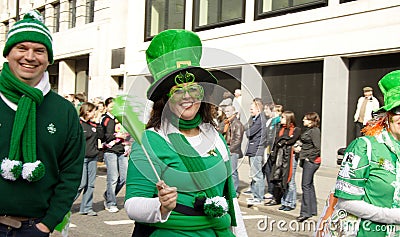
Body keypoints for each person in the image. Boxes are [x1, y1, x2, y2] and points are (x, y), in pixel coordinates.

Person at [124, 29, 247, 236]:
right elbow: (133, 204)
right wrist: (160, 206)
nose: (187, 97)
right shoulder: (150, 140)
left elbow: (230, 200)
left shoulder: (214, 136)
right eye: (177, 90)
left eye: (194, 89)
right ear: (165, 98)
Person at [0, 10, 84, 235]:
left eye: (39, 50)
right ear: (8, 53)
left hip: (33, 228)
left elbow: (72, 171)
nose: (30, 57)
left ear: (48, 59)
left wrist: (48, 223)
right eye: (22, 48)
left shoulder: (64, 110)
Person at [334, 70, 400, 236]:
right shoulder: (364, 147)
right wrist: (391, 216)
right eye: (398, 109)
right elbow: (346, 202)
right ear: (387, 116)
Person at [75, 102, 103, 216]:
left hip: (93, 157)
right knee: (81, 184)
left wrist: (97, 123)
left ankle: (86, 208)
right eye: (92, 111)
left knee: (90, 184)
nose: (94, 113)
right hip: (81, 158)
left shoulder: (93, 124)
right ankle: (64, 204)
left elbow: (101, 136)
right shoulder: (78, 123)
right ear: (87, 111)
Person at [267, 111, 301, 208]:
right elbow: (278, 140)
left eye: (283, 118)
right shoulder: (280, 129)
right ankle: (284, 202)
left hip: (291, 157)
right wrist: (284, 141)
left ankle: (291, 203)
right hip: (280, 156)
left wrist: (284, 141)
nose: (281, 119)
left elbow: (292, 140)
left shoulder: (296, 129)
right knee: (282, 179)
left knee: (290, 180)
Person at [101, 97, 128, 213]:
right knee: (113, 178)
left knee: (124, 177)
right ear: (106, 107)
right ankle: (110, 202)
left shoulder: (120, 118)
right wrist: (117, 135)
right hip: (110, 151)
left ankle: (108, 194)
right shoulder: (105, 119)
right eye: (110, 106)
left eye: (114, 106)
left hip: (122, 150)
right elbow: (103, 136)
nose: (112, 109)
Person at [295, 112, 321, 222]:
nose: (303, 120)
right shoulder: (310, 130)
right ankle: (312, 209)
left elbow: (317, 148)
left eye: (305, 119)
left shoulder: (314, 131)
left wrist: (306, 156)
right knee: (309, 185)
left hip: (311, 161)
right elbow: (307, 142)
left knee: (305, 185)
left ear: (311, 120)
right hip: (309, 160)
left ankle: (305, 212)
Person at [244, 98, 268, 205]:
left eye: (252, 108)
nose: (250, 110)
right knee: (254, 174)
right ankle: (255, 195)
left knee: (257, 175)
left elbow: (249, 132)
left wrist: (248, 128)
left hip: (256, 149)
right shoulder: (255, 118)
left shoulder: (260, 120)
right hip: (253, 149)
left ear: (258, 108)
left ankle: (259, 197)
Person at [223, 105, 244, 197]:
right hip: (226, 149)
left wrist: (229, 149)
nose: (226, 113)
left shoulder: (237, 124)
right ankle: (228, 190)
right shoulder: (226, 123)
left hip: (232, 151)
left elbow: (237, 140)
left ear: (233, 112)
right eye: (225, 111)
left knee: (233, 171)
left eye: (228, 111)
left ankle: (234, 191)